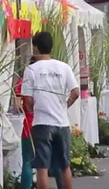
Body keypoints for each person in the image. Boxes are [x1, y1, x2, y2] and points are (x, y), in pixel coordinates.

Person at [22, 32, 79, 189]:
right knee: (64, 166)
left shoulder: (31, 69)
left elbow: (27, 99)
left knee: (42, 167)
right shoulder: (64, 67)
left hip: (42, 123)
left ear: (35, 48)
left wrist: (33, 109)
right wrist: (64, 106)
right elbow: (76, 92)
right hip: (62, 123)